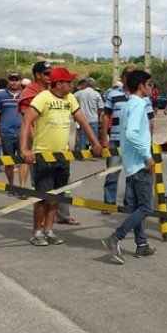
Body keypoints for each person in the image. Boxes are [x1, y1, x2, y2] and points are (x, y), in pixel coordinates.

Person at [20, 67, 102, 246]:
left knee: (57, 195)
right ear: (59, 84)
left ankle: (48, 230)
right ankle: (37, 232)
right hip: (43, 156)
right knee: (43, 197)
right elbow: (26, 121)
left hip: (62, 156)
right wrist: (24, 149)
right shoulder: (42, 98)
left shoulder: (70, 98)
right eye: (69, 82)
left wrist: (95, 143)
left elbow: (82, 121)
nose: (72, 85)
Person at [102, 70, 157, 264]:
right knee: (145, 207)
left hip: (132, 163)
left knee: (136, 206)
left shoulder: (128, 104)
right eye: (149, 84)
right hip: (140, 164)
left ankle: (142, 244)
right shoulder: (138, 104)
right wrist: (147, 156)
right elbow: (133, 133)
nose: (151, 88)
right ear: (141, 85)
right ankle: (115, 237)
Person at [0, 72, 28, 187]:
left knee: (24, 160)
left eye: (16, 79)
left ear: (20, 81)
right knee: (9, 162)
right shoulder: (0, 95)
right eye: (11, 79)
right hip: (6, 133)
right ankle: (11, 186)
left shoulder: (25, 95)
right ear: (8, 81)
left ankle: (22, 187)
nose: (14, 82)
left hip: (22, 133)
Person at [73, 77, 104, 150]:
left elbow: (71, 98)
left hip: (83, 119)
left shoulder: (80, 93)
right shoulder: (97, 94)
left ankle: (82, 154)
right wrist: (98, 116)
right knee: (94, 138)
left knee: (82, 138)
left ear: (86, 84)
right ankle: (94, 154)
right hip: (94, 119)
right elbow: (101, 107)